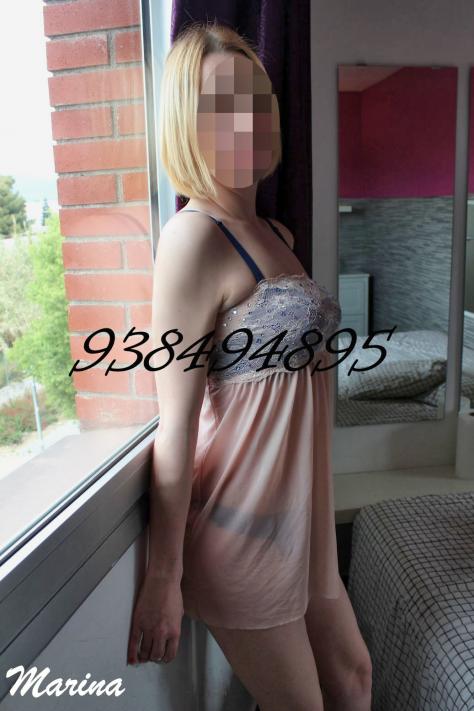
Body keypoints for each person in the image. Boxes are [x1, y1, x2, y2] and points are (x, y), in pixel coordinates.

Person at [127, 20, 372, 711]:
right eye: (220, 106)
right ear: (187, 124)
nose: (247, 121)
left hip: (304, 528)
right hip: (242, 539)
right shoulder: (192, 240)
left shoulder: (276, 234)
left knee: (355, 677)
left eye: (256, 101)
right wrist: (163, 578)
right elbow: (176, 427)